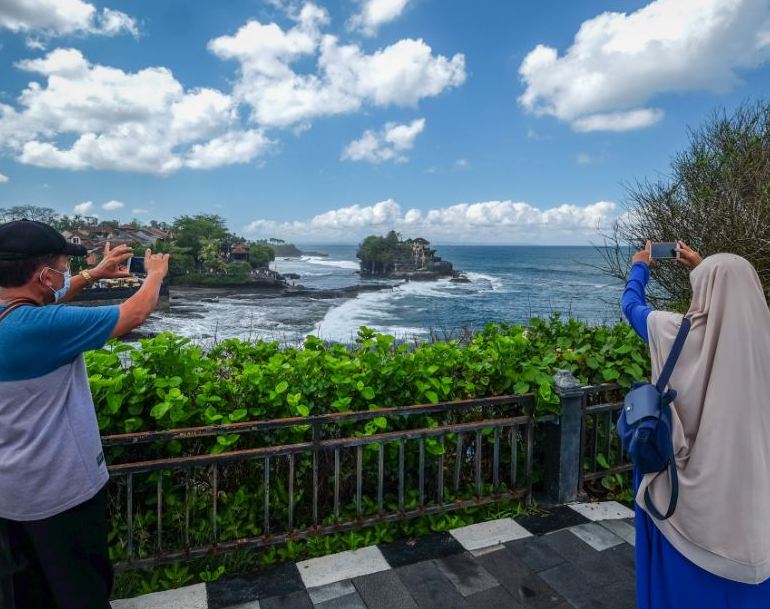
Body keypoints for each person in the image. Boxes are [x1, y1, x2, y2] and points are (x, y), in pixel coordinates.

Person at [0, 219, 170, 609]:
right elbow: (134, 313)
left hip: (10, 496)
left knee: (29, 594)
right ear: (45, 275)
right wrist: (155, 274)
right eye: (63, 267)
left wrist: (92, 275)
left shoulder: (14, 319)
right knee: (82, 592)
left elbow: (39, 302)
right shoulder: (41, 329)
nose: (66, 275)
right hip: (59, 496)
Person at [621, 241, 770, 608]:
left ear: (703, 288)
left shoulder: (677, 333)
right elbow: (728, 294)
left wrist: (641, 266)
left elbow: (632, 307)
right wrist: (705, 267)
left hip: (688, 498)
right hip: (753, 503)